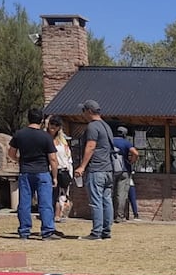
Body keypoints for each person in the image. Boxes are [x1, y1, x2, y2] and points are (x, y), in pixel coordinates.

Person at [7, 107, 59, 240]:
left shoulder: (19, 134)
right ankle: (47, 231)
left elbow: (11, 153)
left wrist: (20, 160)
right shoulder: (46, 137)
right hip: (42, 172)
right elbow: (53, 159)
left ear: (28, 118)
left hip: (25, 172)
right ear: (41, 120)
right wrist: (54, 176)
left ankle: (24, 231)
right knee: (45, 203)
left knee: (24, 202)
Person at [73, 99, 116, 240]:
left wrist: (82, 166)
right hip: (108, 169)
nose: (83, 114)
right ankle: (106, 231)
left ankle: (96, 232)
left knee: (96, 201)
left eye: (84, 111)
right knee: (107, 200)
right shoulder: (106, 126)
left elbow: (91, 146)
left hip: (96, 169)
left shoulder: (92, 126)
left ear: (89, 111)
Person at [46, 116, 73, 223]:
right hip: (48, 169)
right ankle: (50, 214)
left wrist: (69, 170)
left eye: (56, 125)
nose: (53, 126)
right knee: (51, 194)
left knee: (61, 195)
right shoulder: (45, 138)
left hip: (63, 169)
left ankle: (58, 215)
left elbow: (68, 156)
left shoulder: (62, 141)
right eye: (52, 123)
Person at [112, 126, 139, 223]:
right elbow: (135, 153)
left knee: (110, 193)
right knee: (121, 194)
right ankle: (119, 216)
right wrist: (131, 161)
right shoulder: (126, 143)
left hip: (110, 170)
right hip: (124, 170)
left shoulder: (110, 141)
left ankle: (108, 215)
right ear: (124, 134)